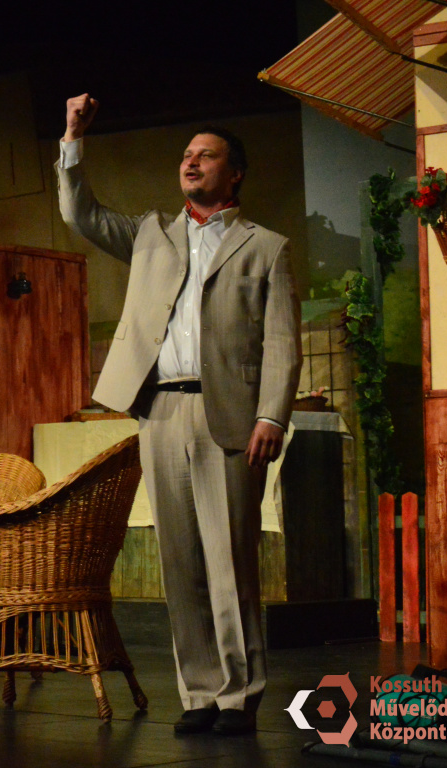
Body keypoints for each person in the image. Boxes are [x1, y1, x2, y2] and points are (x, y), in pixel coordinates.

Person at [56, 95, 301, 736]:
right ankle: (199, 692)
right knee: (180, 560)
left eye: (206, 155)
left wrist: (272, 416)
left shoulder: (265, 247)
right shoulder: (151, 233)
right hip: (161, 410)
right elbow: (80, 214)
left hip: (230, 413)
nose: (191, 163)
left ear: (234, 172)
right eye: (186, 155)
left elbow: (281, 342)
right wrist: (73, 139)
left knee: (230, 560)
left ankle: (239, 694)